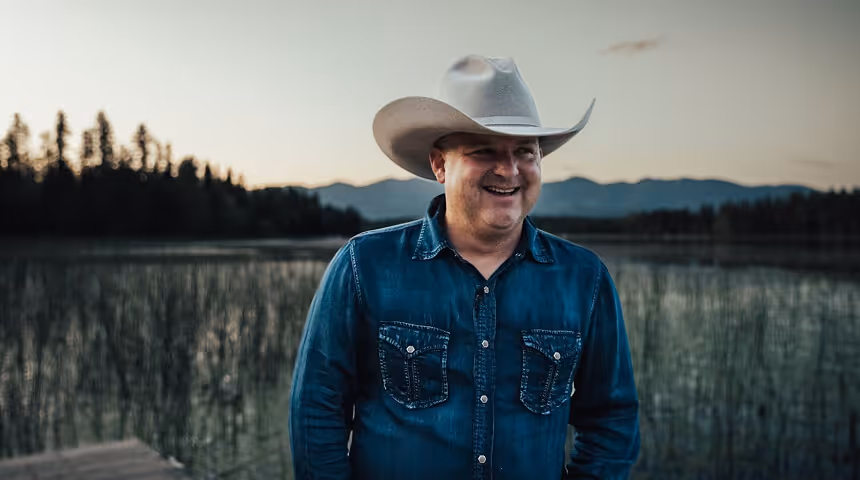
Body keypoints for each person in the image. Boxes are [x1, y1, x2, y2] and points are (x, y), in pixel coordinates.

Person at [289, 54, 640, 480]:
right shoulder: (364, 266)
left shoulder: (584, 279)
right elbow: (317, 409)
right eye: (484, 151)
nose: (509, 170)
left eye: (525, 152)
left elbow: (611, 418)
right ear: (440, 164)